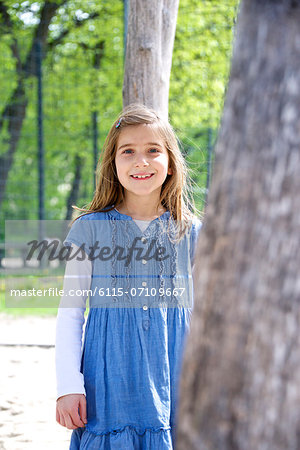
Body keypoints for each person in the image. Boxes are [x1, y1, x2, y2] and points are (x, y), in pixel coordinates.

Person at [55, 104, 202, 449]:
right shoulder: (89, 231)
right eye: (128, 151)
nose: (141, 161)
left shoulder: (192, 233)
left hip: (175, 377)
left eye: (153, 150)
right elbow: (70, 314)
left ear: (170, 162)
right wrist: (68, 386)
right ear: (113, 162)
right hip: (108, 385)